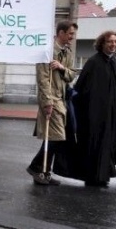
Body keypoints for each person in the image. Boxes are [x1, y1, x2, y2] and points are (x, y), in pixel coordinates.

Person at [59, 31, 116, 187]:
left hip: (108, 113)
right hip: (93, 114)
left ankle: (103, 175)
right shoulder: (94, 62)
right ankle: (92, 177)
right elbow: (82, 88)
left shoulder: (112, 62)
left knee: (107, 144)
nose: (113, 45)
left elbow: (113, 89)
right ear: (102, 44)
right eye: (110, 42)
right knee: (94, 144)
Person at [27, 21, 77, 185]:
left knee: (54, 137)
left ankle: (43, 171)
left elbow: (71, 76)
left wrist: (62, 68)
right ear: (61, 33)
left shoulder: (67, 52)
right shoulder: (46, 53)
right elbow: (42, 79)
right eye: (70, 33)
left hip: (62, 100)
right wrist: (47, 102)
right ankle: (37, 167)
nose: (72, 37)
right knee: (56, 137)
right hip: (51, 99)